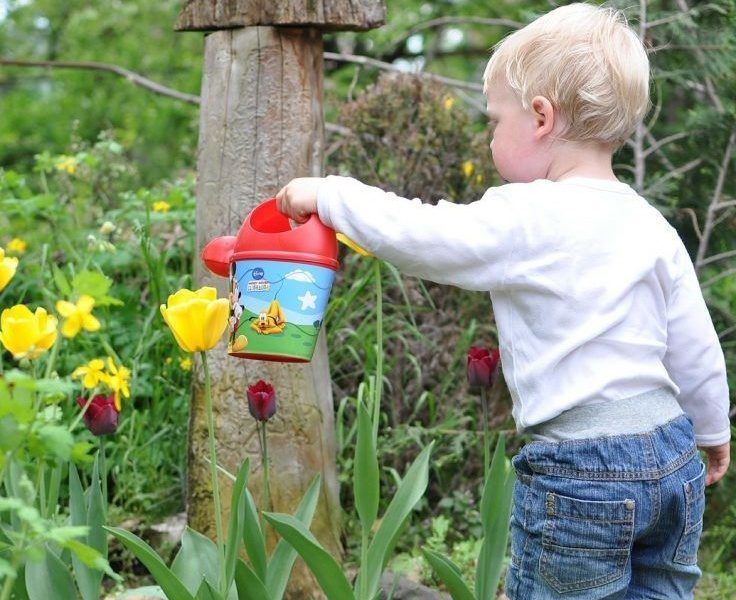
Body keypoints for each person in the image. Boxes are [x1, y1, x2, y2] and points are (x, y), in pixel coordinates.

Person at [275, 2, 730, 598]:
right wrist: (713, 429)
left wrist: (328, 194)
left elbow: (423, 235)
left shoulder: (527, 216)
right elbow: (695, 343)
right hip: (670, 455)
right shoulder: (650, 225)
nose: (489, 135)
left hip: (581, 471)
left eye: (494, 120)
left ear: (540, 117)